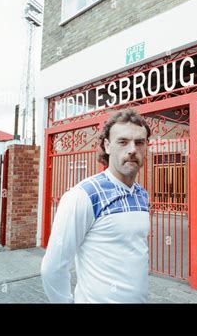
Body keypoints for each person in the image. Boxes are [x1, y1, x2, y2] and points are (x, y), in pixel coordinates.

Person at [41, 108, 151, 303]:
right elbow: (53, 267)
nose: (132, 149)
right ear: (107, 146)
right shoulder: (83, 195)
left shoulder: (141, 195)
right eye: (123, 142)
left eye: (139, 142)